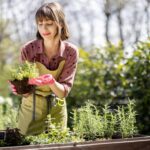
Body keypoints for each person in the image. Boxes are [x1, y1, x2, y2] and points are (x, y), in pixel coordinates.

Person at [10, 2, 79, 135]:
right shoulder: (28, 50)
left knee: (57, 143)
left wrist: (51, 82)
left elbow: (63, 92)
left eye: (49, 23)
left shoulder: (70, 52)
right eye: (40, 24)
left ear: (61, 24)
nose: (44, 28)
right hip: (31, 106)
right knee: (26, 143)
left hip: (56, 107)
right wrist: (20, 87)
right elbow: (25, 91)